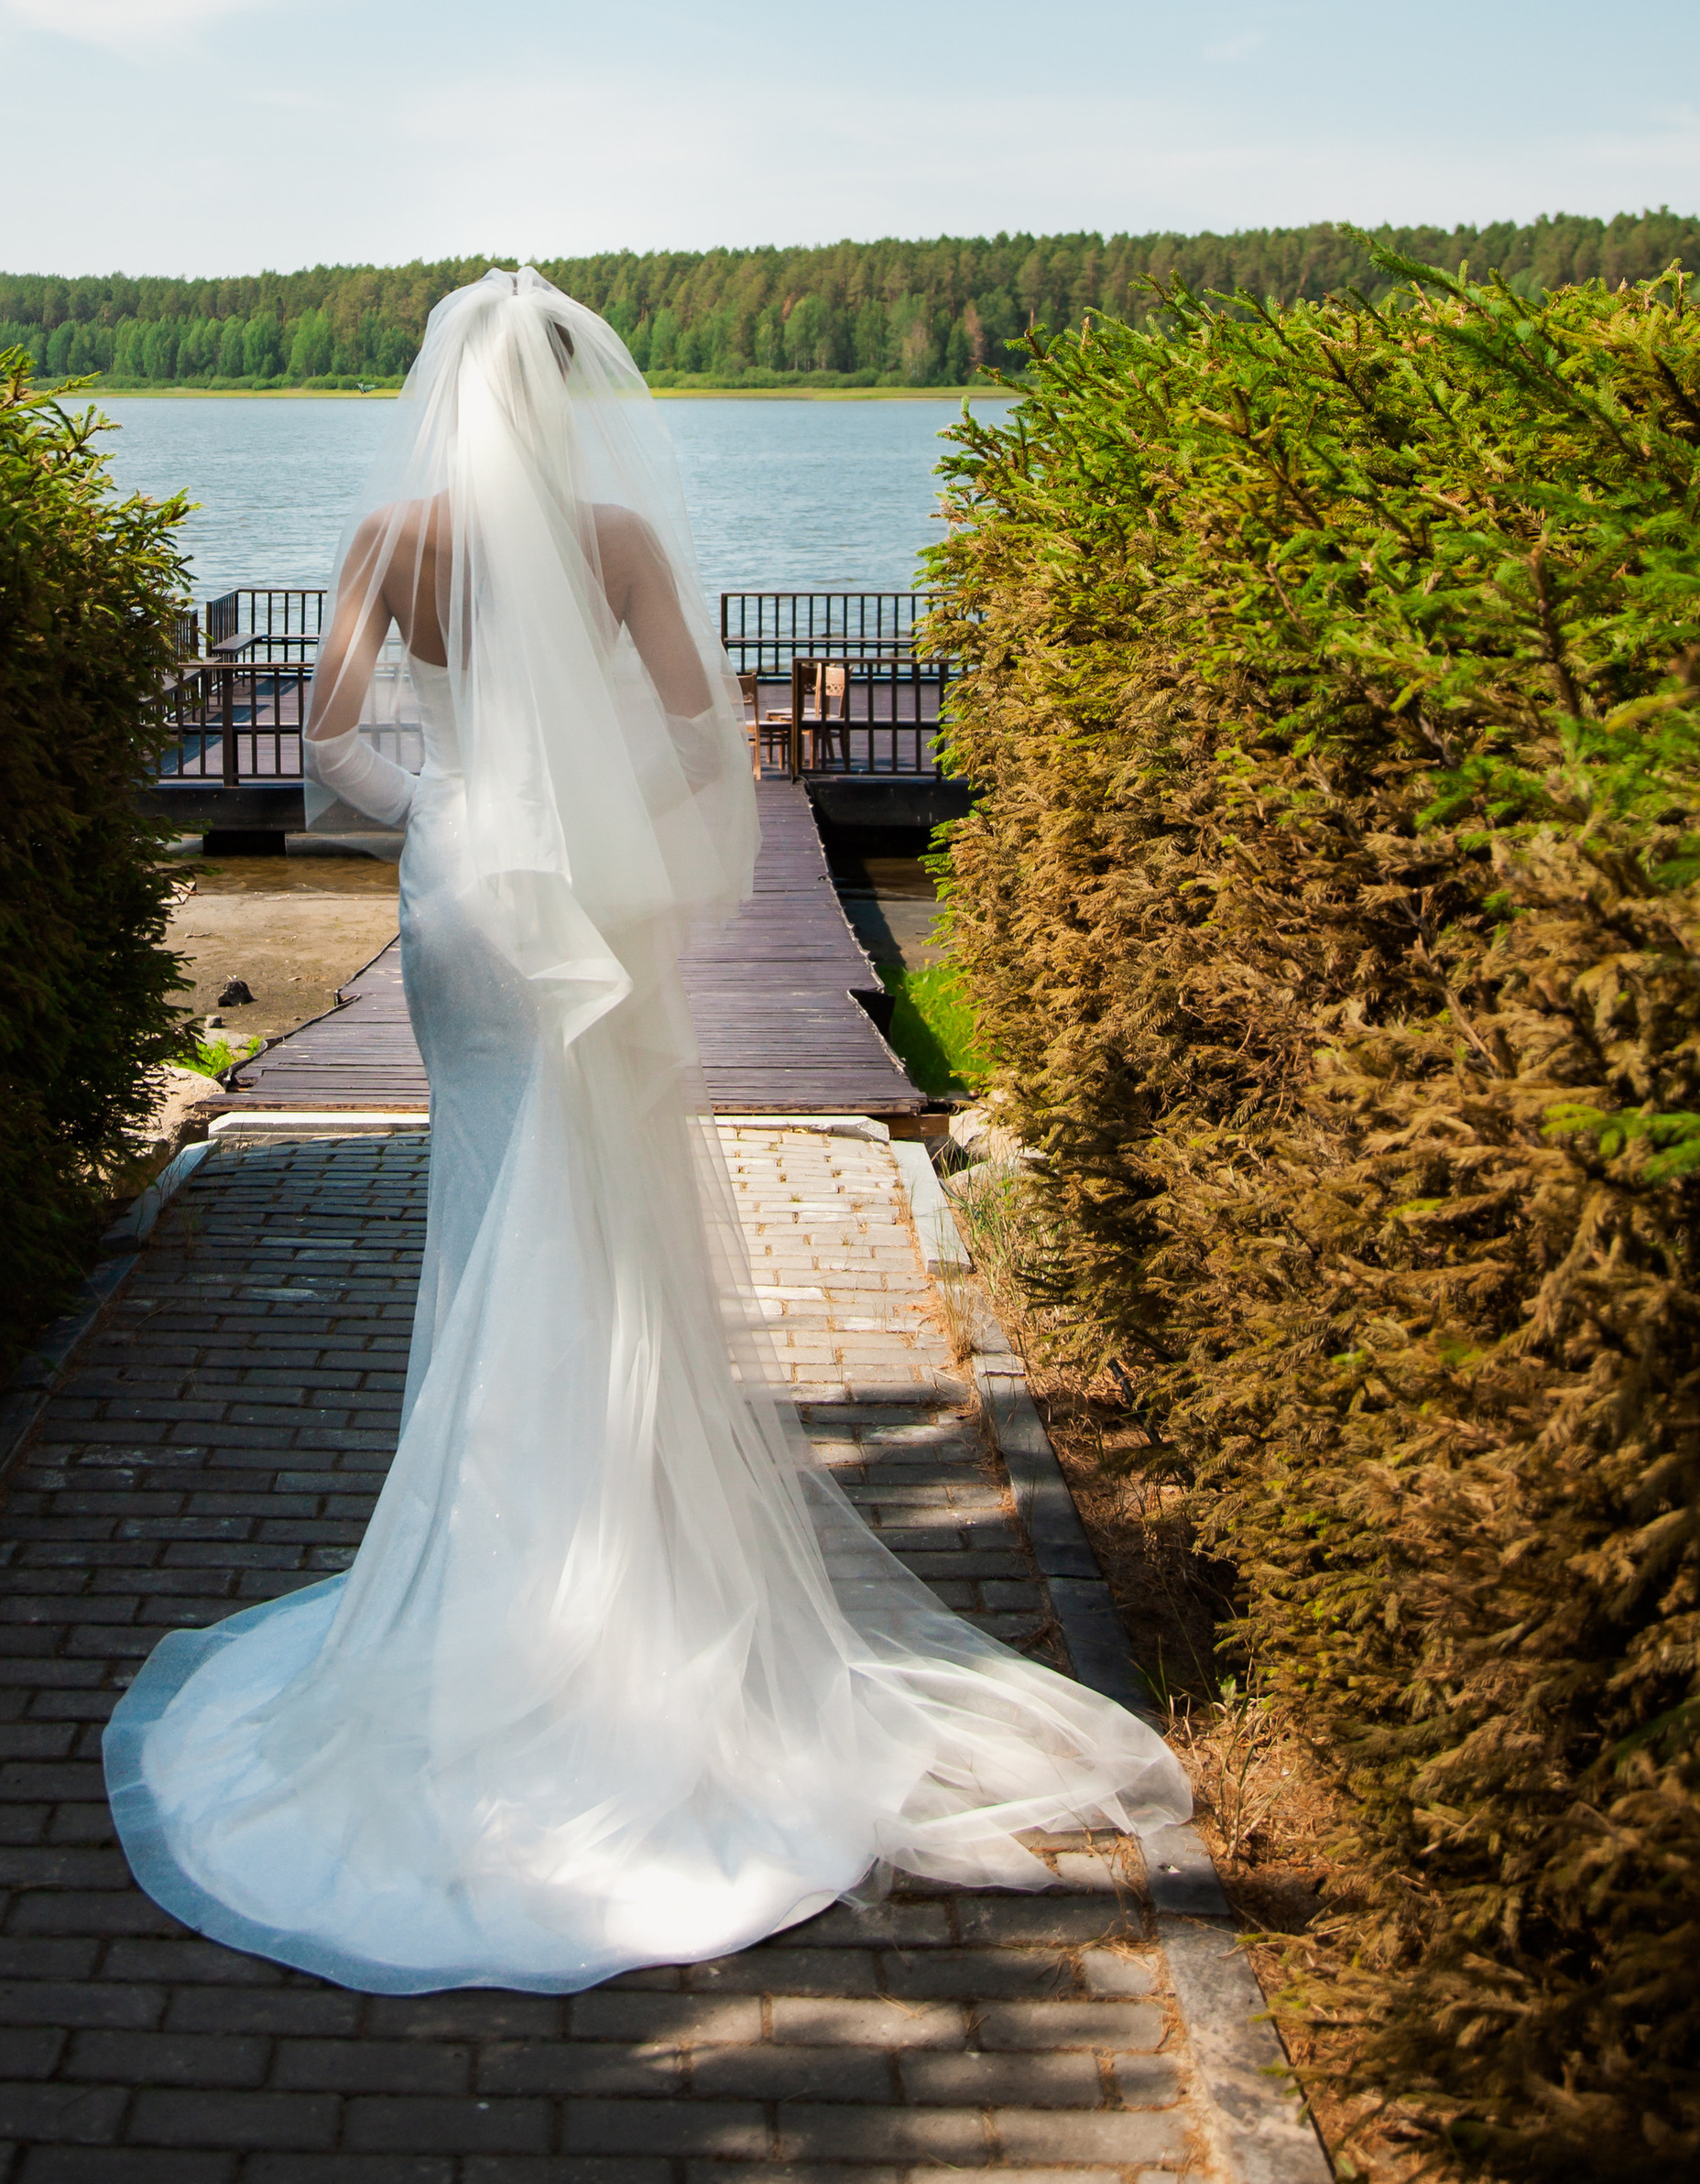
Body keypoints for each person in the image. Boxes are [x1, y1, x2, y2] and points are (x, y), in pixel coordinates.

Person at [104, 266, 1187, 1994]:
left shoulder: (394, 534)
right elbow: (705, 734)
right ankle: (621, 1568)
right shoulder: (612, 537)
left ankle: (497, 1569)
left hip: (463, 896)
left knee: (491, 1193)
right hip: (583, 900)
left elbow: (327, 744)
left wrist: (463, 800)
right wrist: (627, 840)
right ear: (563, 393)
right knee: (597, 1205)